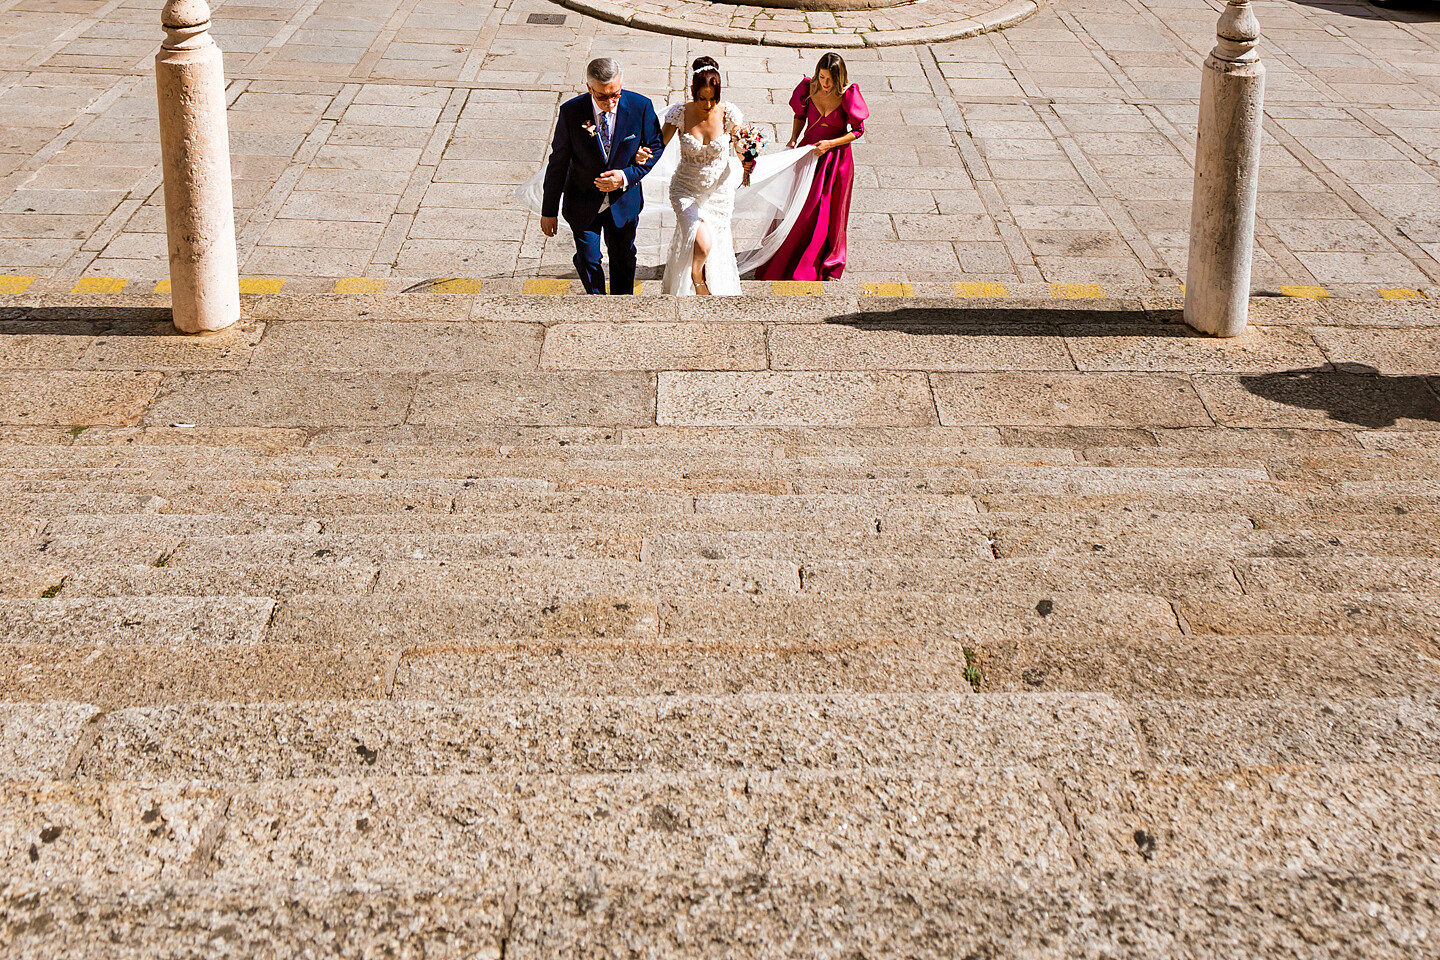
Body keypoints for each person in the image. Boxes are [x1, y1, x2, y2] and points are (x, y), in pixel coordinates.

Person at [540, 58, 664, 295]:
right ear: (589, 88)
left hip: (623, 202)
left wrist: (626, 176)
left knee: (623, 257)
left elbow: (655, 146)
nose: (610, 102)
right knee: (588, 259)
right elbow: (558, 163)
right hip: (583, 200)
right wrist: (549, 211)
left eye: (615, 94)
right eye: (602, 97)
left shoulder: (641, 107)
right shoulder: (571, 112)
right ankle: (597, 302)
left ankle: (621, 303)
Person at [754, 53, 868, 282]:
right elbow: (799, 115)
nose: (825, 84)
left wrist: (830, 144)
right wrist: (793, 140)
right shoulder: (808, 87)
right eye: (822, 77)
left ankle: (829, 262)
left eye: (830, 80)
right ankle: (790, 255)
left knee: (831, 210)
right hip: (809, 153)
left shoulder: (849, 95)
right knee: (801, 208)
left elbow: (858, 130)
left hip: (836, 159)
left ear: (839, 79)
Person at [653, 56, 752, 296]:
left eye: (712, 99)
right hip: (686, 189)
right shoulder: (679, 113)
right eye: (702, 98)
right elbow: (658, 144)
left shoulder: (729, 113)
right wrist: (640, 156)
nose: (708, 105)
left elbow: (743, 152)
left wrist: (744, 150)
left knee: (714, 243)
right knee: (702, 242)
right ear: (692, 92)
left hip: (719, 192)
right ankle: (698, 279)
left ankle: (711, 281)